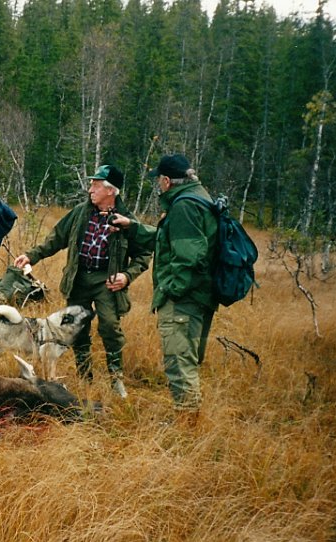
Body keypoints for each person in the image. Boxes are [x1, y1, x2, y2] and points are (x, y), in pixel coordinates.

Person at [14, 165, 155, 398]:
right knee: (78, 327)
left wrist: (126, 276)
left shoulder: (128, 221)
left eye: (96, 185)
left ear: (111, 191)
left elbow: (143, 254)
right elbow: (56, 238)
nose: (90, 189)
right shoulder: (81, 212)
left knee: (110, 326)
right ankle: (85, 374)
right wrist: (32, 255)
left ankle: (115, 377)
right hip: (78, 277)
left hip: (106, 281)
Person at [146, 153, 218, 421]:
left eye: (159, 181)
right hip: (200, 296)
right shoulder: (200, 197)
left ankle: (186, 428)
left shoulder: (184, 206)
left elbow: (189, 256)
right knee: (187, 360)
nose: (159, 186)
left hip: (184, 300)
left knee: (179, 362)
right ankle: (189, 420)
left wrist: (170, 291)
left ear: (166, 181)